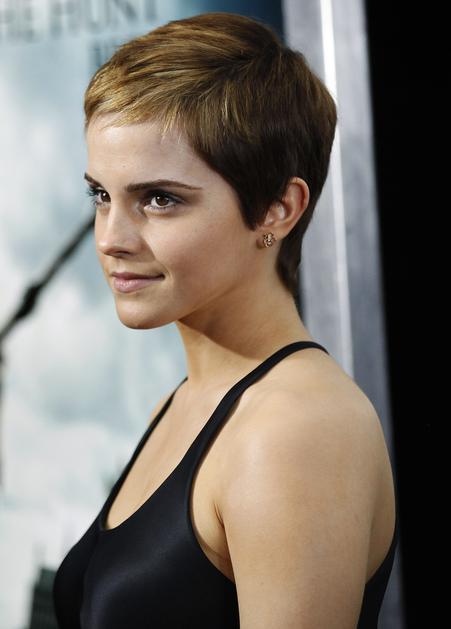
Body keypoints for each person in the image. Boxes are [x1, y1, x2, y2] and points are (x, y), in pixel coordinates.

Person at [52, 11, 398, 629]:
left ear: (278, 209)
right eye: (101, 195)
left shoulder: (295, 429)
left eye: (159, 199)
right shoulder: (182, 404)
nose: (110, 238)